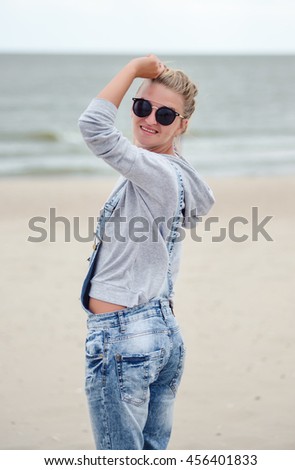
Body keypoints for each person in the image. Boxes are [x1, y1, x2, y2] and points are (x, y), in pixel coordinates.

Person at [78, 54, 215, 450]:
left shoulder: (156, 173)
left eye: (166, 115)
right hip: (161, 332)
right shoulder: (178, 174)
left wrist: (133, 70)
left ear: (182, 124)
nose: (149, 119)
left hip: (124, 338)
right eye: (142, 106)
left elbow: (94, 128)